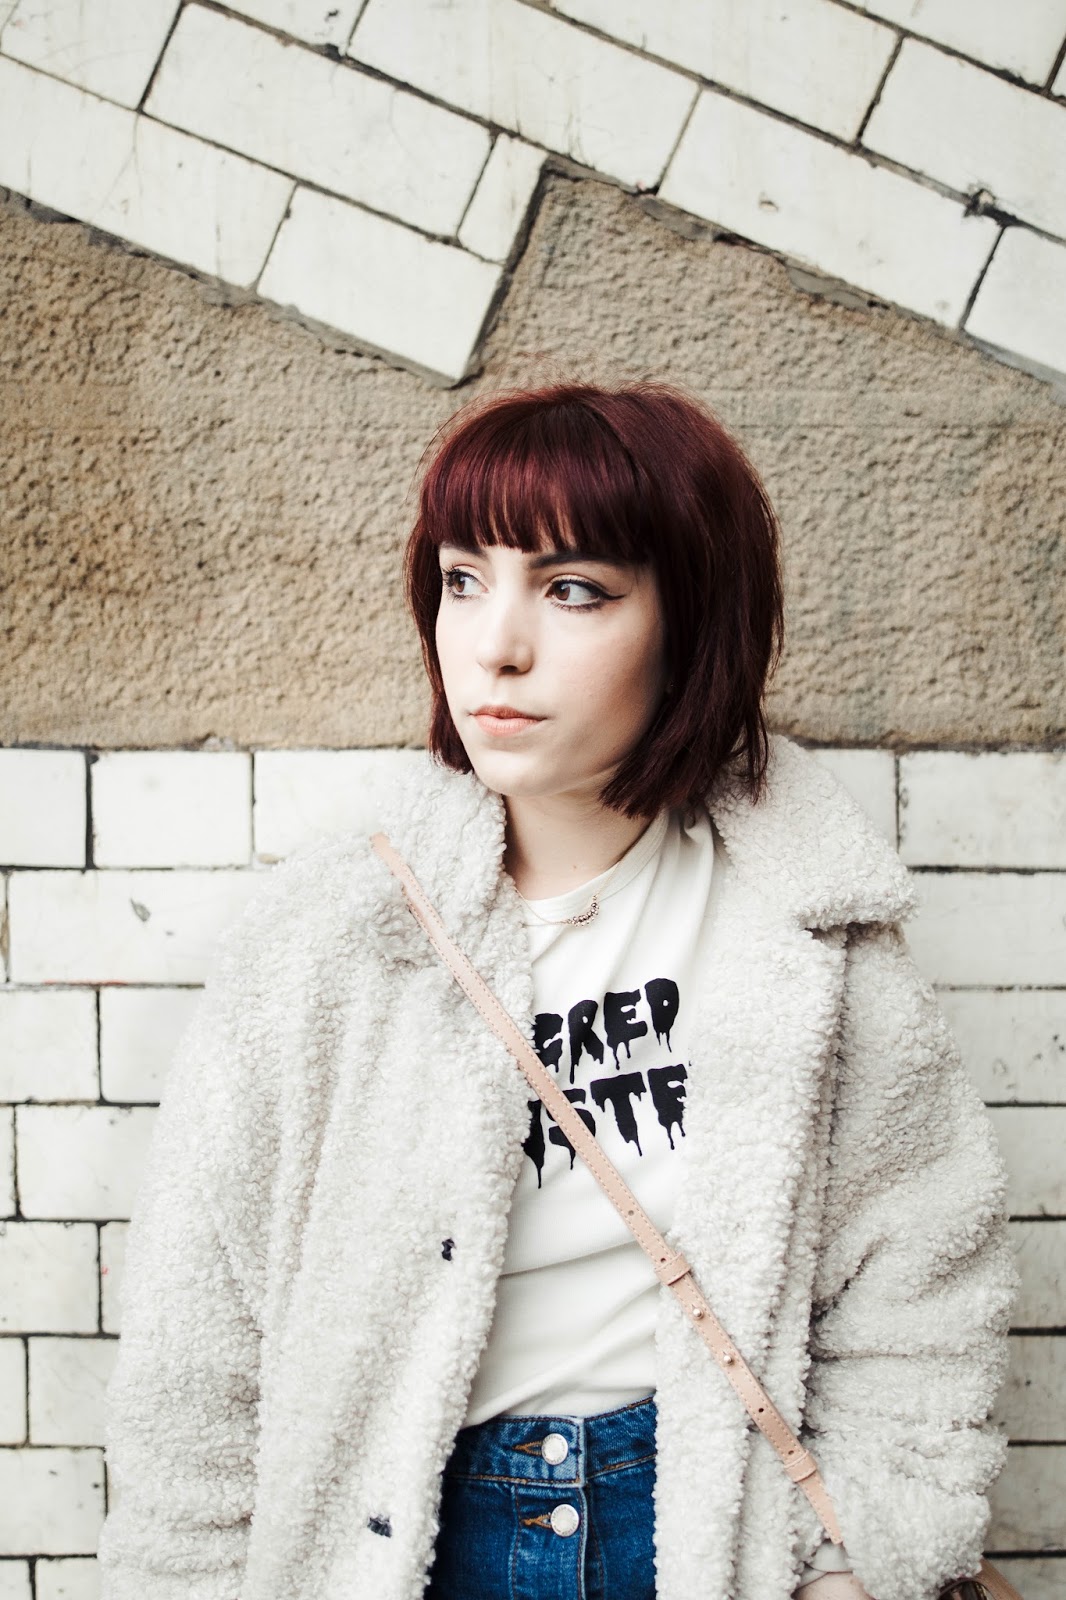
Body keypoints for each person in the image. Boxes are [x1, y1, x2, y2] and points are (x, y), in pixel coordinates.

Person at [97, 380, 1019, 1600]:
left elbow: (921, 1288)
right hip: (411, 1536)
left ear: (693, 620)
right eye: (462, 579)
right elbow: (195, 1348)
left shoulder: (807, 924)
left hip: (709, 1530)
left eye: (572, 588)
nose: (496, 644)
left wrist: (858, 1558)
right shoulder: (330, 940)